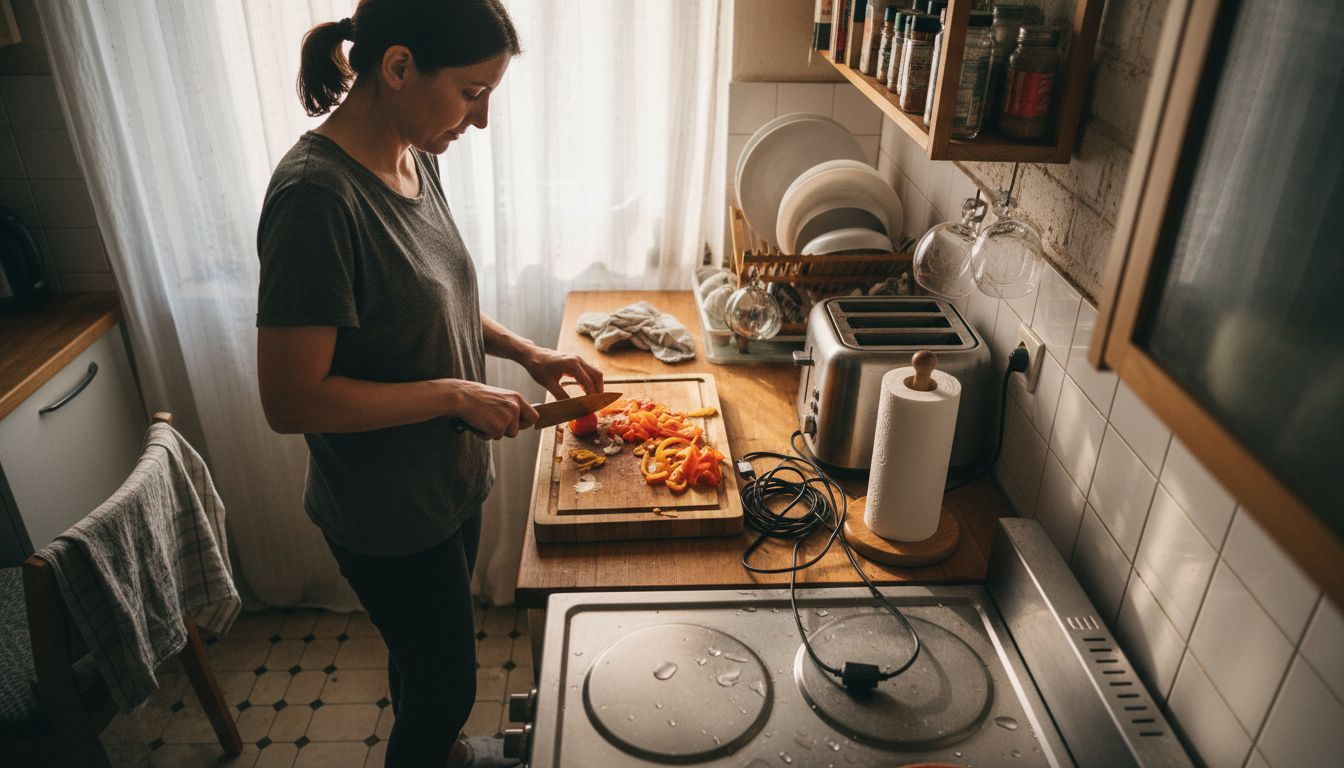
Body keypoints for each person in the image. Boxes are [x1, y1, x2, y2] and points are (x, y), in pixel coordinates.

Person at [254, 2, 602, 766]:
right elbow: (290, 399)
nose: (479, 122)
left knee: (420, 664)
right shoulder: (316, 198)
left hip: (446, 483)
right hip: (384, 512)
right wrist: (453, 395)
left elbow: (436, 298)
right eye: (472, 93)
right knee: (445, 688)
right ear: (399, 67)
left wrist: (526, 353)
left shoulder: (416, 155)